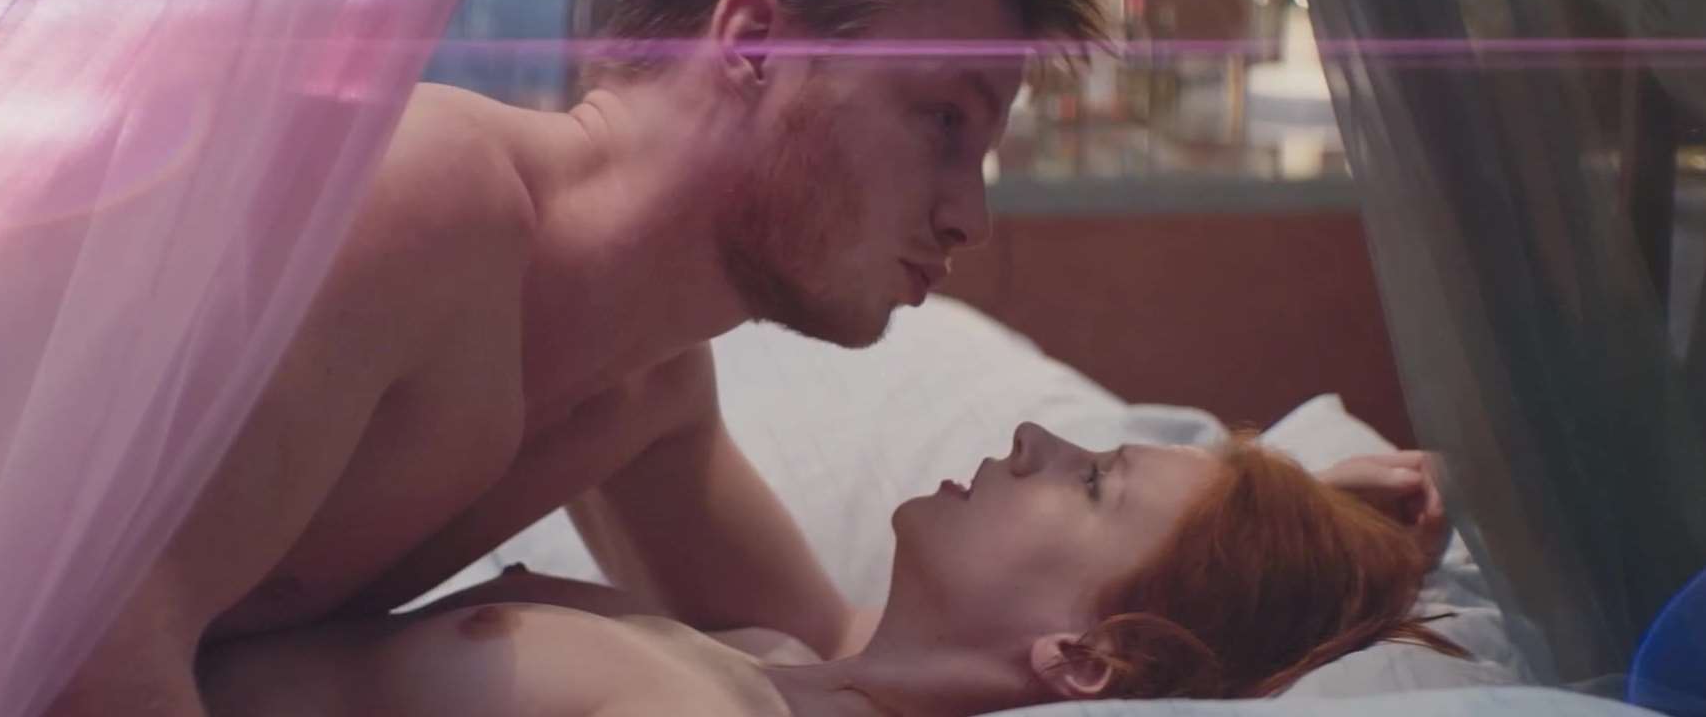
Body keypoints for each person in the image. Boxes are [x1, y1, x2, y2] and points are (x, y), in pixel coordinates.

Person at [47, 0, 1113, 715]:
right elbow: (84, 635)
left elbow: (845, 646)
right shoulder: (428, 204)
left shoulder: (644, 389)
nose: (968, 216)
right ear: (753, 46)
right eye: (942, 121)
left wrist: (1154, 615)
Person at [194, 425, 1465, 716]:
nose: (1033, 437)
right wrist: (1321, 510)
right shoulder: (787, 659)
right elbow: (647, 410)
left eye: (1089, 482)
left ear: (1086, 662)